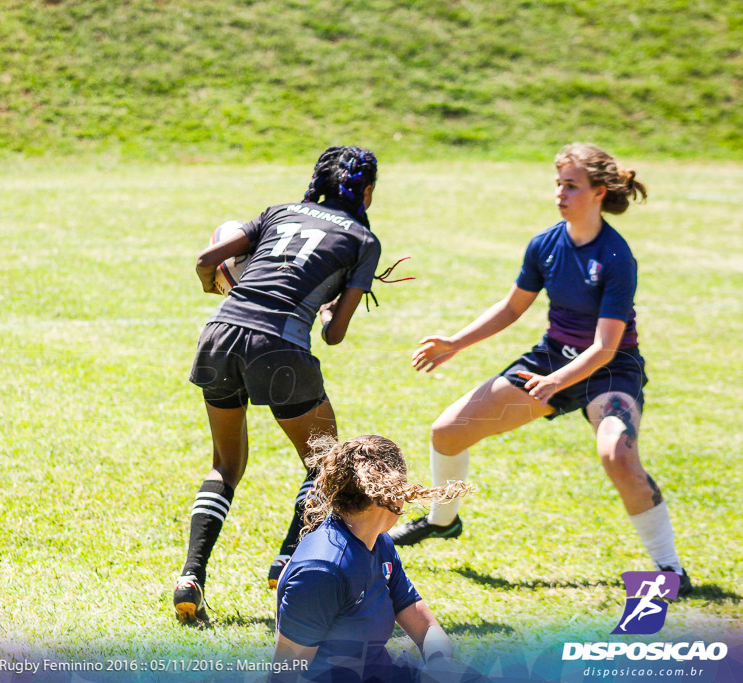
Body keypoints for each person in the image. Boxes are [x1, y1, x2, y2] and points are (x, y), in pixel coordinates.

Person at [389, 143, 691, 595]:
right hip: (553, 358)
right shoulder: (546, 244)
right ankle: (442, 520)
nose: (560, 193)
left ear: (598, 192)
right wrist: (456, 341)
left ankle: (671, 570)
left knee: (617, 453)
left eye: (571, 185)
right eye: (558, 184)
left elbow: (607, 346)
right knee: (447, 431)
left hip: (609, 370)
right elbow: (512, 307)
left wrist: (557, 382)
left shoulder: (615, 257)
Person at [174, 146, 383, 624]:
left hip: (219, 334)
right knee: (326, 462)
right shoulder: (363, 240)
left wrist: (216, 283)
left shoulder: (279, 211)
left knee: (225, 466)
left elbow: (208, 258)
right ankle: (286, 560)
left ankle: (191, 577)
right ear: (366, 191)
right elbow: (334, 334)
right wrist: (330, 308)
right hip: (281, 347)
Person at [271, 434, 472, 682]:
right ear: (391, 495)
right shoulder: (322, 571)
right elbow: (285, 672)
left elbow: (424, 625)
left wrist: (441, 663)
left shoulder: (379, 542)